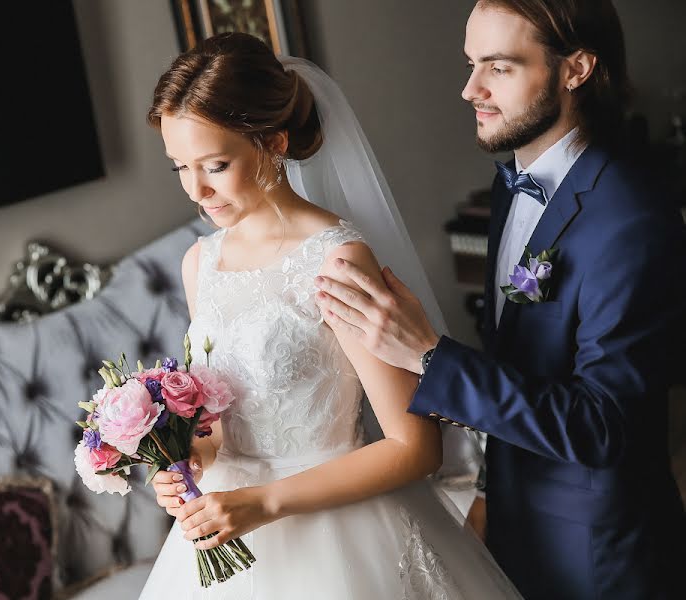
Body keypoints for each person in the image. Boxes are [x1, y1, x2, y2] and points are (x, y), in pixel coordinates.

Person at [314, 1, 686, 598]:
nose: (470, 89)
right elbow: (522, 362)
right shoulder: (511, 185)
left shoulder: (632, 219)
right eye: (471, 63)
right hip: (514, 523)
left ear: (577, 69)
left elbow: (604, 426)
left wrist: (431, 356)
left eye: (499, 67)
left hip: (597, 554)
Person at [137, 32, 521, 599]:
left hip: (337, 535)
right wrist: (186, 459)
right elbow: (220, 422)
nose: (197, 190)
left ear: (272, 142)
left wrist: (264, 502)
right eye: (179, 168)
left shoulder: (335, 258)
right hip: (224, 536)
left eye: (215, 165)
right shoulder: (201, 263)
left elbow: (414, 447)